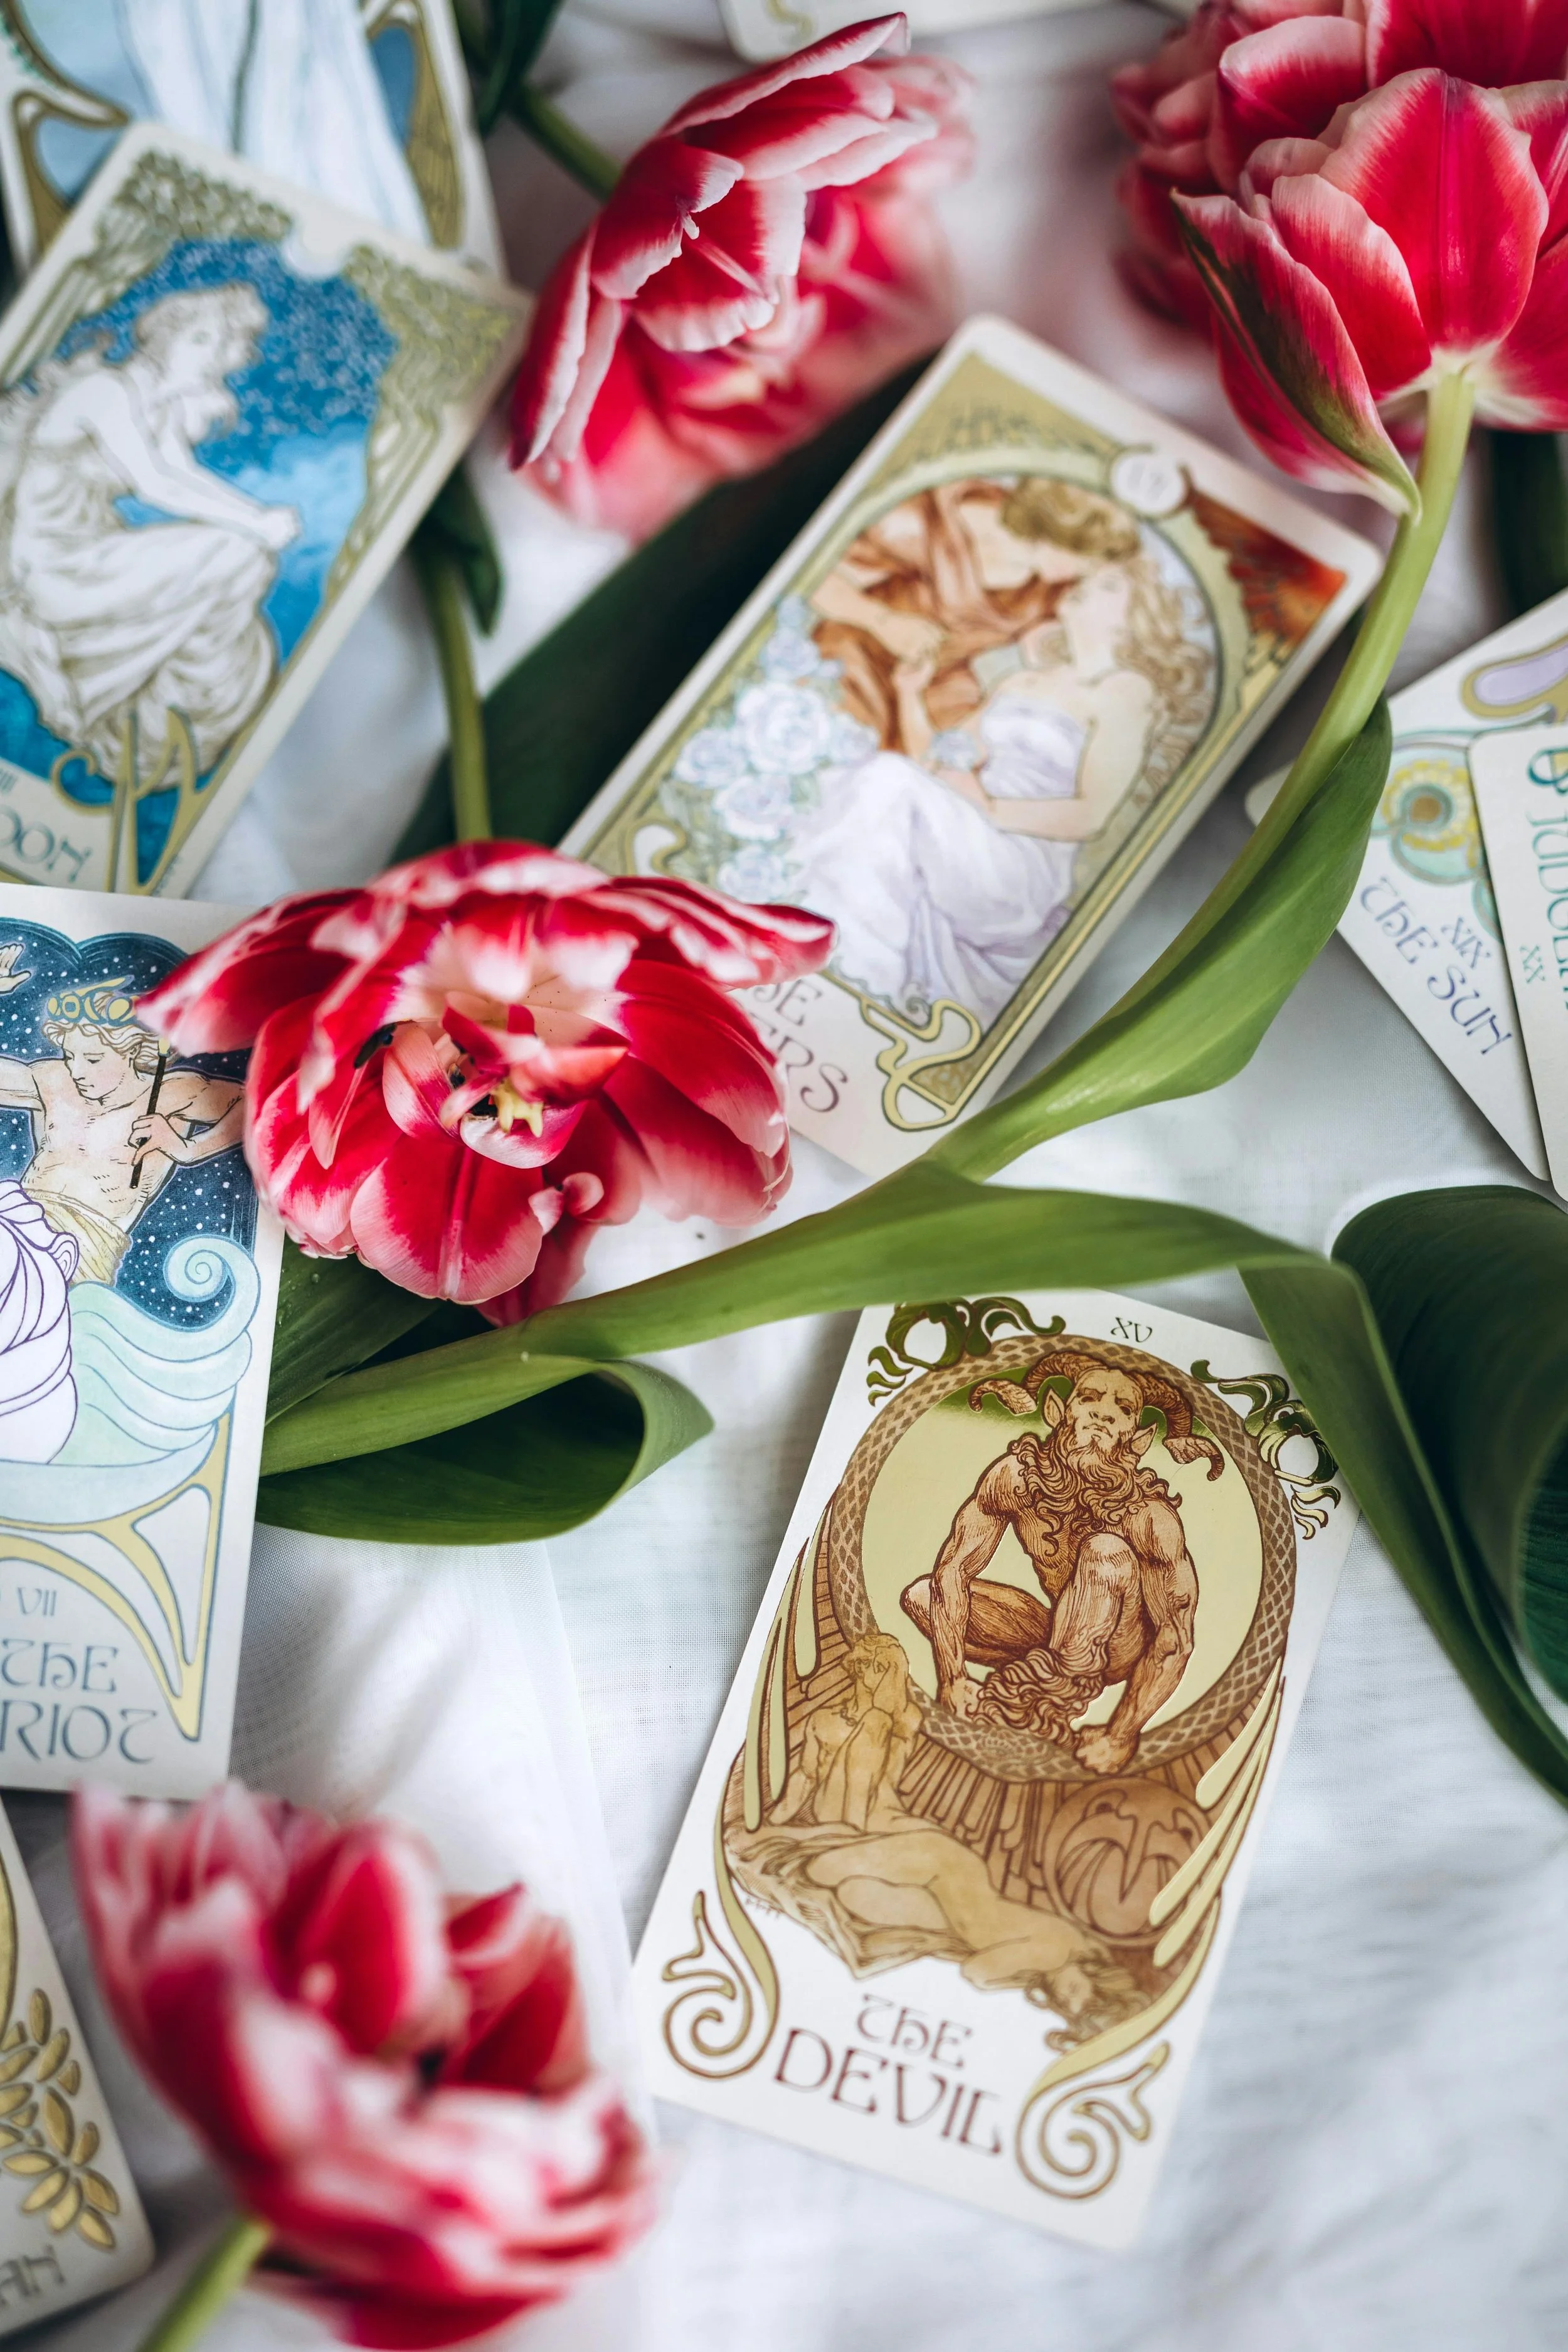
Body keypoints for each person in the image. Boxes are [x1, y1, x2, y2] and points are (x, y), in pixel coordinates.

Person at [791, 544, 1207, 1024]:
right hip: (967, 828)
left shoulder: (1126, 691)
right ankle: (835, 959)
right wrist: (910, 695)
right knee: (866, 781)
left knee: (886, 781)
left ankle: (857, 967)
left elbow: (1092, 812)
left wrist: (991, 807)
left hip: (1018, 861)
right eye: (1092, 579)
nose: (1086, 585)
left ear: (1132, 618)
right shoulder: (1022, 683)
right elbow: (935, 761)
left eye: (1110, 587)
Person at [0, 283, 299, 792]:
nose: (209, 357)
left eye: (220, 345)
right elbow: (154, 483)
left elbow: (187, 477)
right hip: (51, 565)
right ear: (164, 332)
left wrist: (259, 516)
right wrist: (256, 526)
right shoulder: (103, 392)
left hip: (91, 554)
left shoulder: (158, 409)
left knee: (246, 569)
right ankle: (89, 683)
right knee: (238, 554)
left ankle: (136, 727)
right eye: (198, 337)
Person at [901, 1351, 1222, 1773]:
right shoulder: (1014, 1478)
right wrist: (953, 1677)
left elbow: (1174, 1638)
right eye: (1090, 1398)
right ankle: (1030, 1684)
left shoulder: (1151, 1518)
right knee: (923, 1596)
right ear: (1059, 1411)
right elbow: (954, 1571)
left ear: (1138, 1437)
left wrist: (1120, 1735)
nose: (1104, 1414)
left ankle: (1043, 1707)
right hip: (1058, 1632)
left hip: (1118, 1650)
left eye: (1123, 1409)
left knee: (1105, 1551)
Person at [810, 476, 1142, 753]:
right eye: (1085, 561)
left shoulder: (1047, 588)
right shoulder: (933, 522)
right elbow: (816, 578)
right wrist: (883, 622)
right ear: (1061, 533)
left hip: (936, 683)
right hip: (856, 657)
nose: (1083, 573)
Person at [0, 954, 243, 1286]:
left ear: (130, 1050)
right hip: (18, 1224)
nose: (77, 1071)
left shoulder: (170, 1092)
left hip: (88, 1249)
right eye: (70, 1056)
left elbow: (250, 1103)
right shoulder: (54, 1080)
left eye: (94, 1059)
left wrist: (186, 1149)